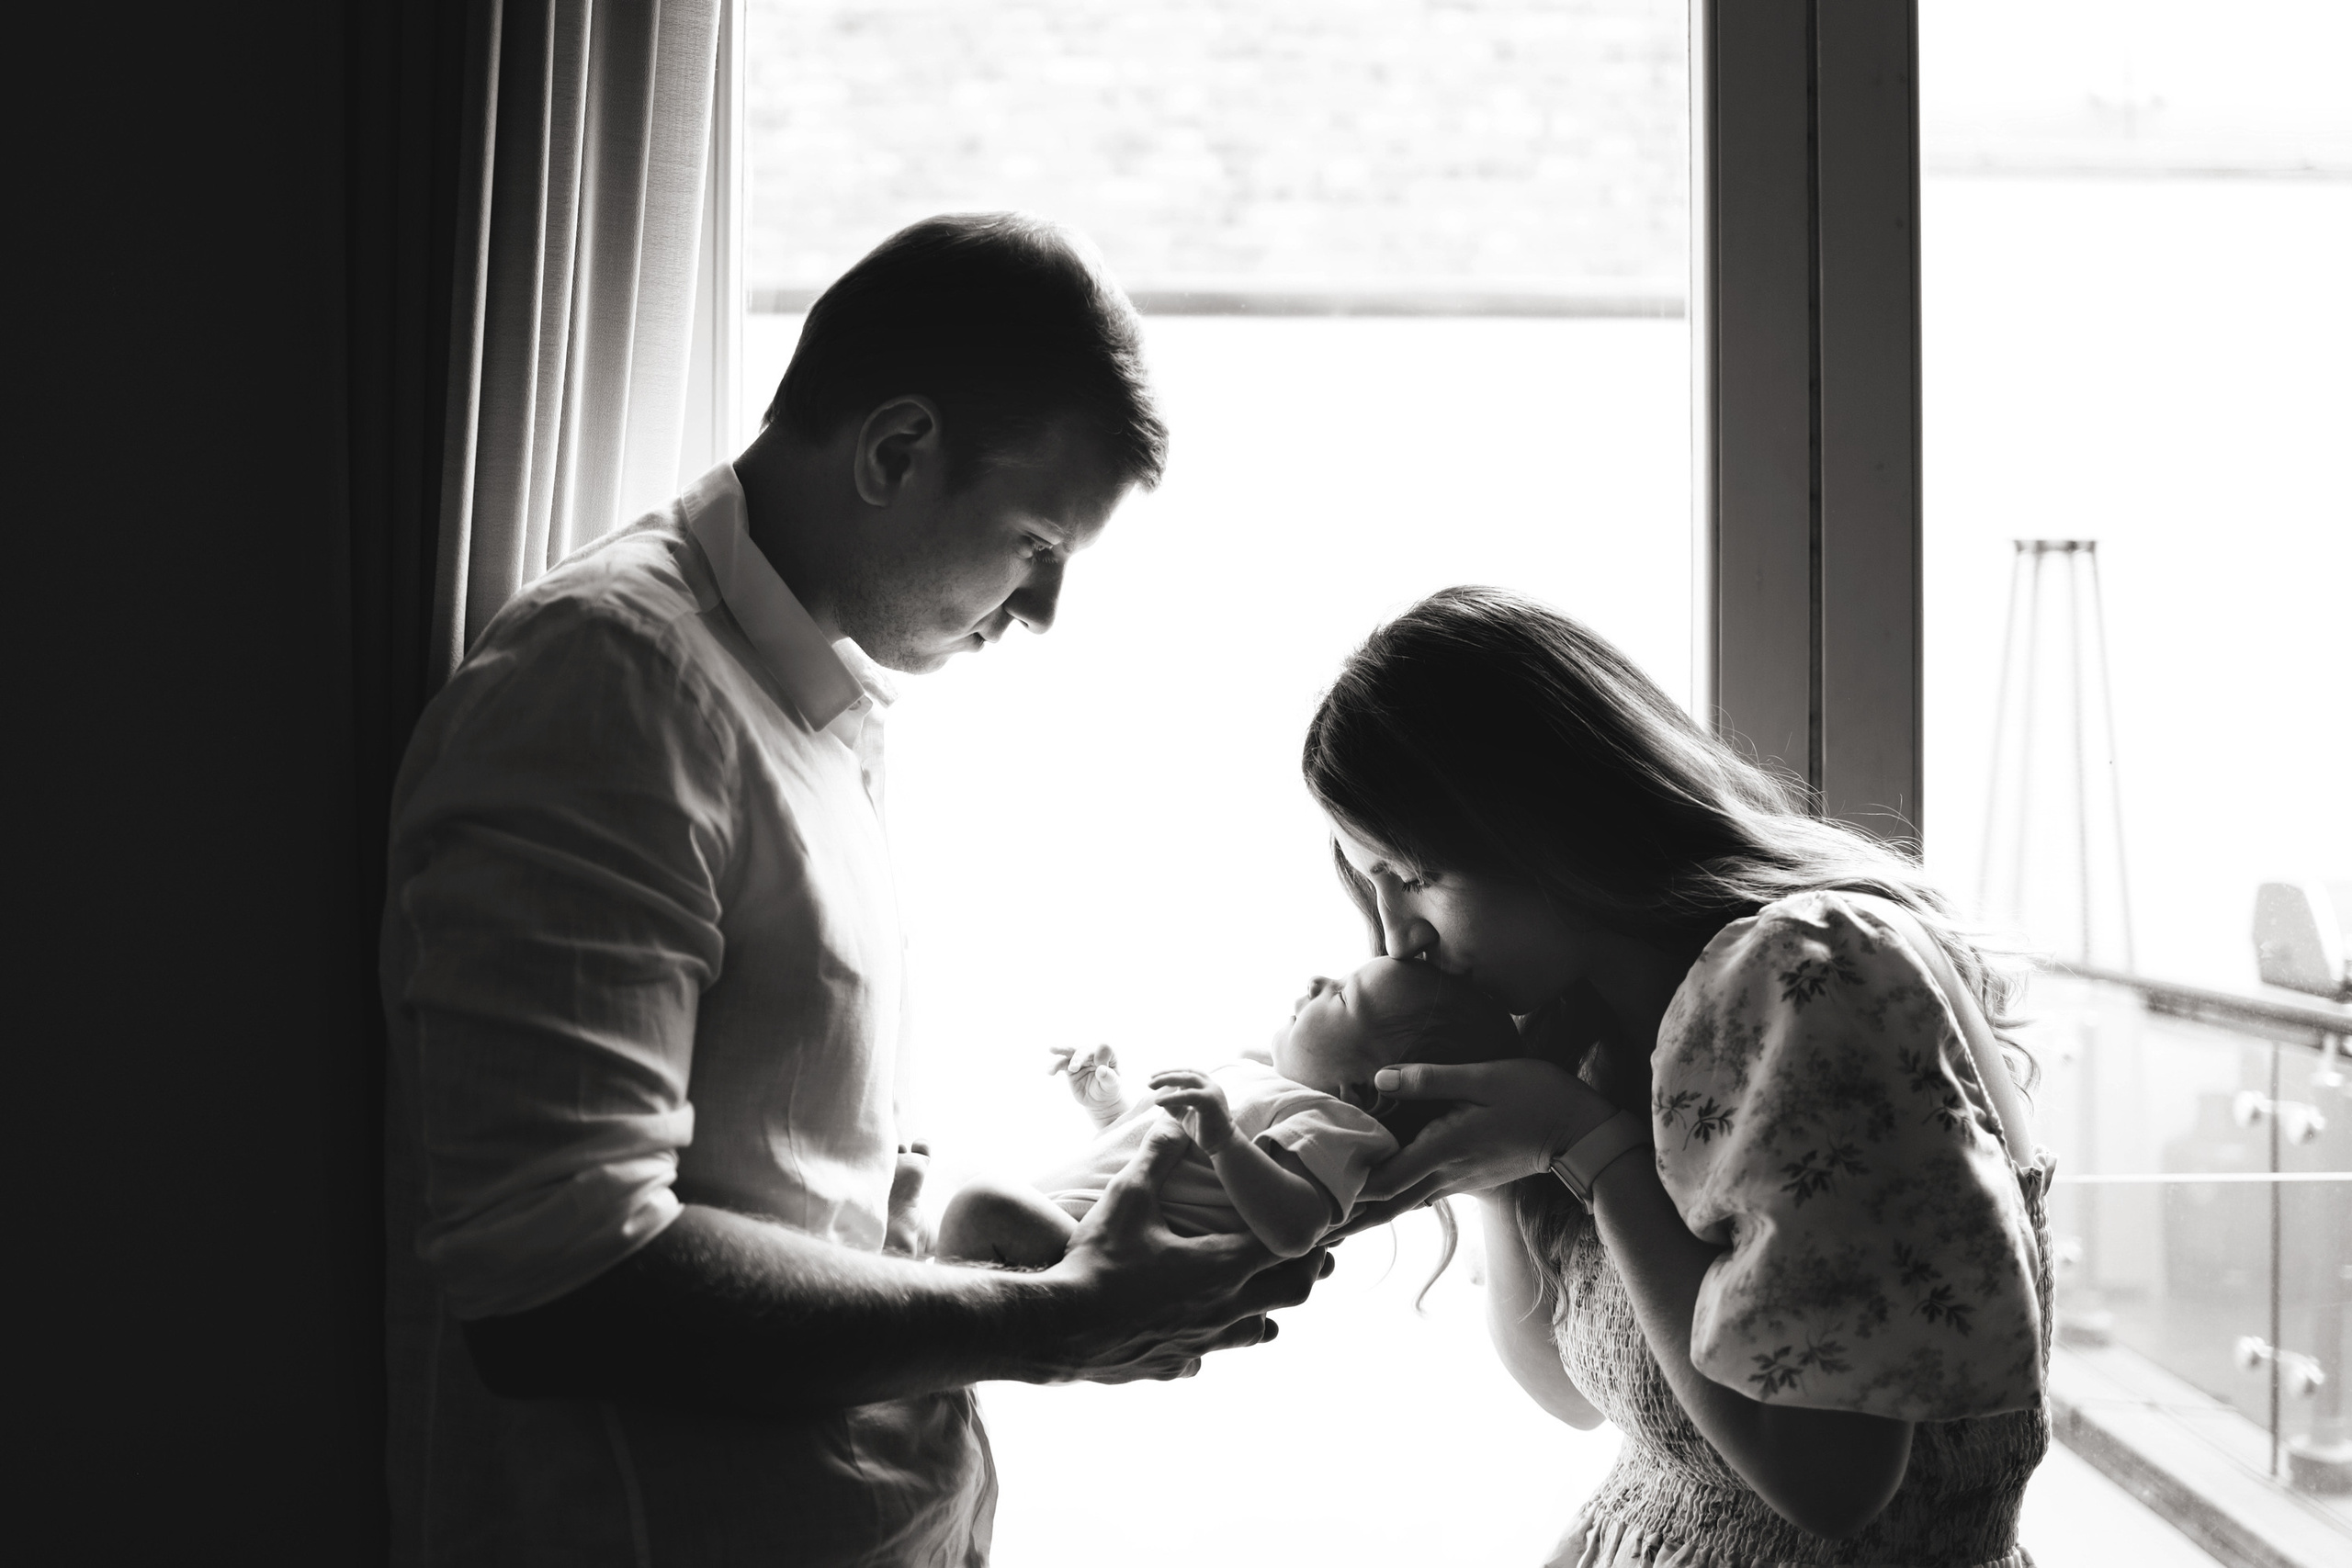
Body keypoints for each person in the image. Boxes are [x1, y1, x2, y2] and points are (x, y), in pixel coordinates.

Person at [379, 214, 1324, 1568]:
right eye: (1035, 540)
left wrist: (990, 1239)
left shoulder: (793, 696)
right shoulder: (608, 690)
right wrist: (1052, 1326)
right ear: (894, 451)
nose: (1043, 608)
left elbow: (772, 1180)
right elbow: (563, 1283)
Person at [1306, 587, 2051, 1568]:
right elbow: (1568, 1395)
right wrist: (1505, 1168)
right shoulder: (1604, 1030)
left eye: (1411, 876)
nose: (1400, 939)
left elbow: (1830, 1485)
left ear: (1534, 817)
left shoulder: (1811, 975)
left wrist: (1585, 1148)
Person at [935, 958, 1520, 1267]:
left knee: (974, 1203)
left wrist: (1223, 1138)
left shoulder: (1337, 1124)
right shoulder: (1256, 1078)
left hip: (1085, 1254)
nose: (1318, 978)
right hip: (1067, 1218)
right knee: (937, 1192)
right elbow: (1153, 1159)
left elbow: (1296, 1229)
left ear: (1363, 1092)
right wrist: (1112, 1108)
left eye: (1341, 995)